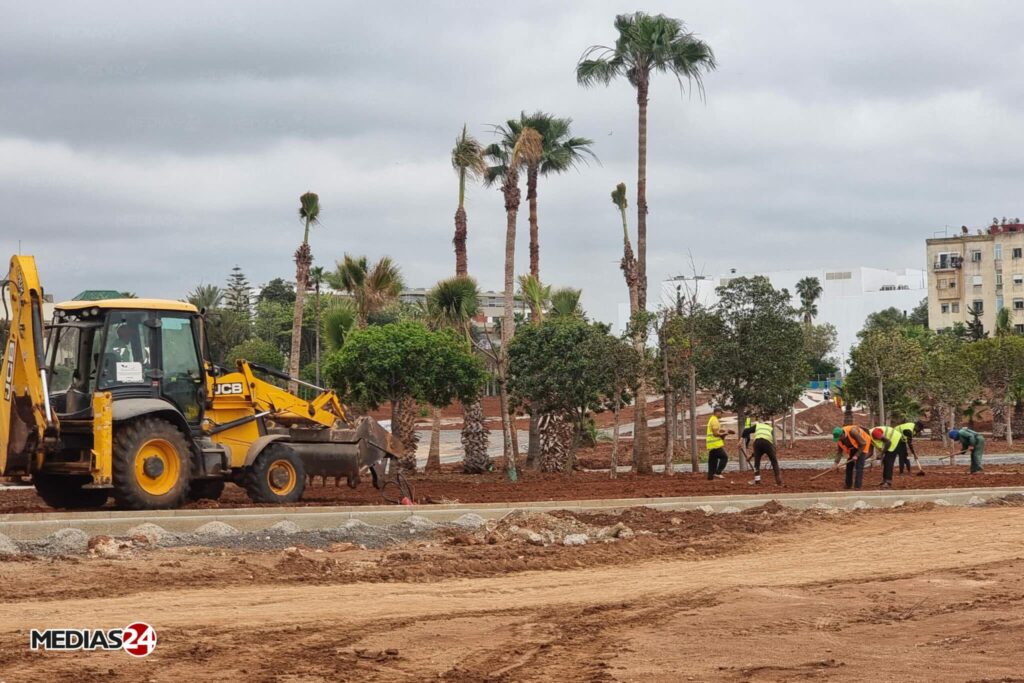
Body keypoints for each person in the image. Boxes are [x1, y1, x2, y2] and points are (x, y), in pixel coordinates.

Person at [742, 419, 782, 486]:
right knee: (774, 461)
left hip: (757, 442)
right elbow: (770, 443)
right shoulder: (770, 428)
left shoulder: (758, 425)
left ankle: (757, 481)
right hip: (768, 443)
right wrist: (773, 453)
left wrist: (741, 440)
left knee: (757, 462)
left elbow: (746, 431)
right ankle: (779, 481)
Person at [832, 424, 873, 489]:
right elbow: (839, 452)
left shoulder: (852, 432)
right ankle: (848, 485)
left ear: (842, 434)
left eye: (839, 438)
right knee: (849, 465)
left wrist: (857, 455)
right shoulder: (839, 439)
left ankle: (857, 486)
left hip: (862, 445)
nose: (838, 439)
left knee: (859, 466)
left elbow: (863, 444)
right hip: (853, 447)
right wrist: (835, 463)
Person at [706, 406, 732, 480]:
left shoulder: (712, 419)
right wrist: (724, 434)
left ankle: (710, 477)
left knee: (712, 462)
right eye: (721, 413)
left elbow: (717, 430)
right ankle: (718, 473)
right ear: (717, 412)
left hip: (711, 445)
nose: (722, 414)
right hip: (715, 445)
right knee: (724, 457)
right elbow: (715, 433)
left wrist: (725, 431)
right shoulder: (715, 421)